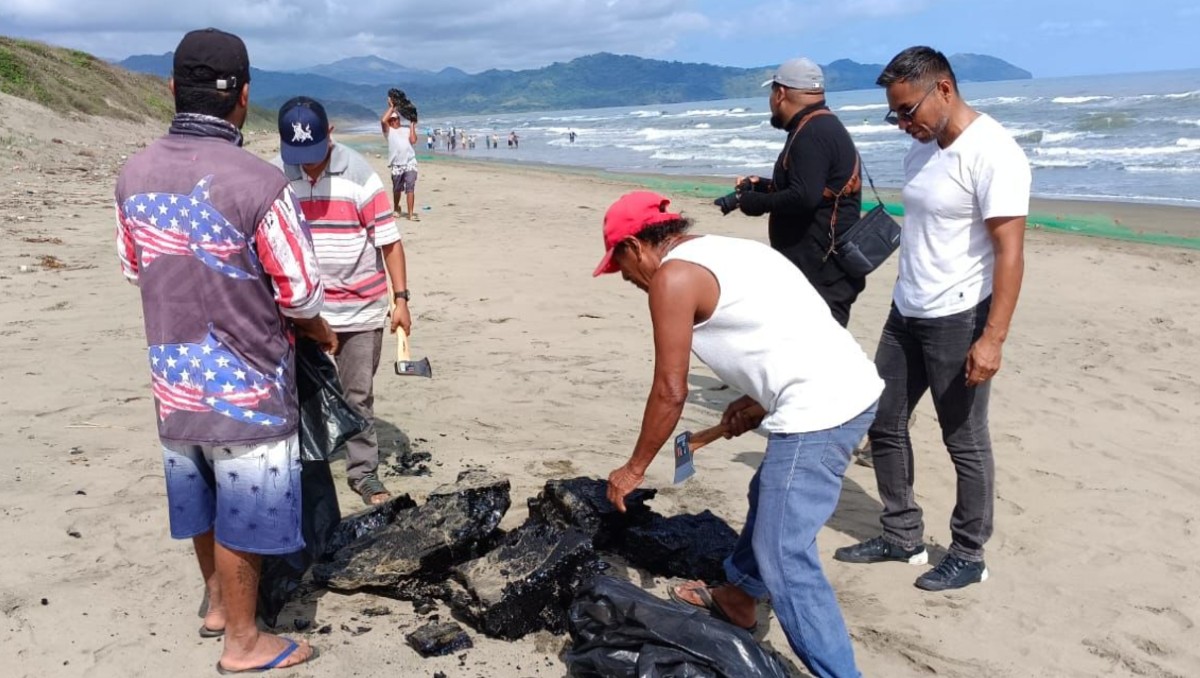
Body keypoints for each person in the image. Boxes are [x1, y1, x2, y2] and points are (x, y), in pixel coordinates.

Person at [598, 191, 883, 678]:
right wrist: (760, 398)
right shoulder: (729, 249)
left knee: (783, 554)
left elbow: (670, 390)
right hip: (848, 384)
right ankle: (739, 598)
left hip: (820, 409)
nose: (628, 280)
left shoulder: (672, 277)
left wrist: (634, 468)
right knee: (768, 489)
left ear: (633, 246)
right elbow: (793, 325)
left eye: (622, 269)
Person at [114, 27, 327, 673]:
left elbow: (134, 268)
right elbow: (301, 292)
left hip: (172, 376)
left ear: (172, 88)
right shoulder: (261, 183)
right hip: (246, 383)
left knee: (199, 492)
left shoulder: (133, 175)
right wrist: (318, 331)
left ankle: (215, 604)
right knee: (246, 508)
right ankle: (243, 640)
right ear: (245, 96)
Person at [833, 46, 1030, 591]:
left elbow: (1010, 252)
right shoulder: (921, 150)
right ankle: (902, 535)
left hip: (960, 315)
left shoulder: (995, 152)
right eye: (893, 114)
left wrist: (993, 338)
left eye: (907, 110)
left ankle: (969, 553)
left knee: (964, 439)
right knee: (883, 419)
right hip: (907, 309)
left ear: (943, 89)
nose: (902, 123)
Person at [273, 96, 414, 505]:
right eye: (299, 155)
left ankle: (363, 472)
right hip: (302, 312)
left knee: (357, 395)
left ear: (330, 133)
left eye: (315, 152)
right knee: (298, 395)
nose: (307, 163)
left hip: (360, 308)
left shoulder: (359, 174)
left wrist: (401, 300)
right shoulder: (276, 175)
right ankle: (303, 465)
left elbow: (389, 242)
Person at [731, 57, 865, 328]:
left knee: (816, 348)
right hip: (822, 270)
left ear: (780, 93)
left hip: (822, 274)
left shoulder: (812, 132)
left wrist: (754, 202)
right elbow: (812, 186)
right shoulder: (821, 125)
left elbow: (804, 197)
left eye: (771, 94)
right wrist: (763, 185)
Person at [381, 100, 420, 221]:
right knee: (397, 189)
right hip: (397, 164)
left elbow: (413, 140)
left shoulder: (406, 129)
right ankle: (396, 208)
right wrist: (392, 108)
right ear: (390, 121)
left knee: (410, 187)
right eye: (392, 119)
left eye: (397, 118)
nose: (395, 121)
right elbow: (383, 121)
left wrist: (412, 125)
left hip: (410, 163)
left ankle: (410, 214)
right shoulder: (389, 132)